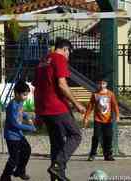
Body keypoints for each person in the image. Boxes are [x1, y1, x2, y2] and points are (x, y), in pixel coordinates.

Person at [33, 38, 86, 181]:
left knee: (56, 143)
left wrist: (38, 114)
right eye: (69, 52)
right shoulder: (59, 59)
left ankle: (56, 176)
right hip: (57, 107)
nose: (68, 56)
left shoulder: (42, 62)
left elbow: (36, 90)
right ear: (65, 49)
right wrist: (76, 104)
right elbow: (62, 85)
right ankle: (58, 166)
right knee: (75, 135)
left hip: (44, 109)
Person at [0, 80, 36, 181]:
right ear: (17, 93)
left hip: (18, 135)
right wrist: (30, 128)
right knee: (14, 158)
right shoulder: (12, 106)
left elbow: (22, 112)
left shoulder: (19, 102)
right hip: (11, 136)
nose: (26, 97)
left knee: (27, 150)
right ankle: (5, 177)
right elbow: (14, 124)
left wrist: (27, 118)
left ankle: (20, 171)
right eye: (24, 95)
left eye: (27, 95)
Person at [83, 77, 120, 161]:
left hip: (108, 120)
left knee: (108, 137)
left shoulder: (110, 94)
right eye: (100, 83)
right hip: (98, 119)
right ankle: (92, 154)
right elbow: (90, 106)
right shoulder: (95, 94)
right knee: (96, 136)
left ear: (106, 84)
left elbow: (115, 105)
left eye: (103, 84)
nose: (101, 85)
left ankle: (108, 155)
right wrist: (86, 117)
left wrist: (117, 115)